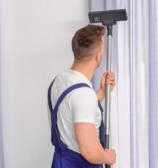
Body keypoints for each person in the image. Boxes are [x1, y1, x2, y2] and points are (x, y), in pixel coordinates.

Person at [47, 24, 117, 167]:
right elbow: (90, 152)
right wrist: (109, 157)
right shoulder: (84, 95)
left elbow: (73, 109)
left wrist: (102, 92)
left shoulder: (60, 80)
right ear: (98, 56)